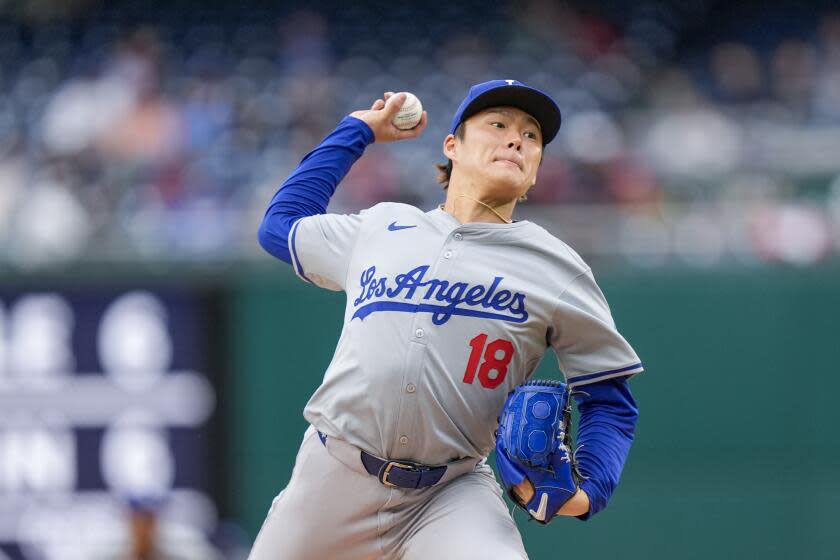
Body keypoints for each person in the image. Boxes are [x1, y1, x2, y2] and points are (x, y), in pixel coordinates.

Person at [253, 79, 643, 559]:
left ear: (536, 171)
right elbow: (279, 226)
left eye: (531, 137)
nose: (516, 139)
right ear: (452, 146)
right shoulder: (381, 227)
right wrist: (357, 130)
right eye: (498, 125)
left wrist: (589, 493)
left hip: (450, 493)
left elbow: (609, 398)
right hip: (332, 476)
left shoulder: (557, 267)